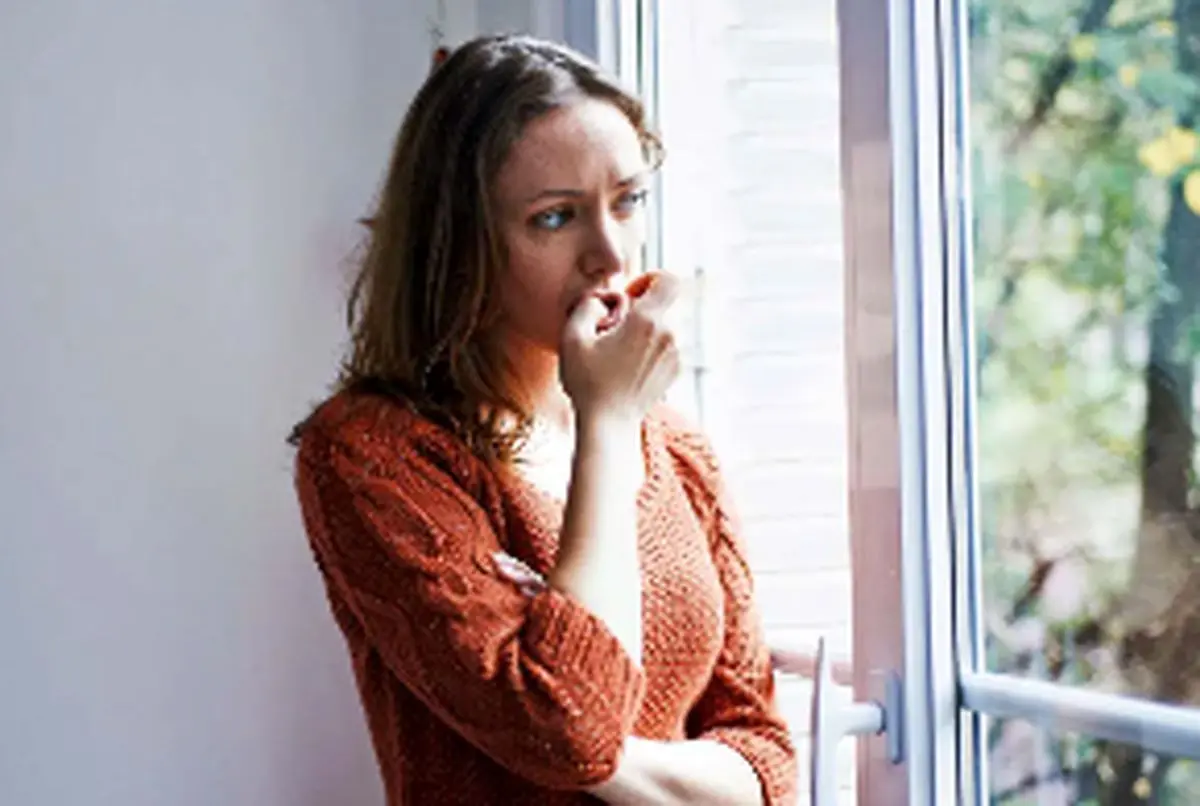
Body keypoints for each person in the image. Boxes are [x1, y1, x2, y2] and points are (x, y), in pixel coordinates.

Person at [291, 33, 797, 806]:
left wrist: (593, 757)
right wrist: (609, 420)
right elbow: (574, 729)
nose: (610, 256)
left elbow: (766, 761)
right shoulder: (372, 456)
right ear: (460, 242)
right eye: (556, 218)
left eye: (627, 201)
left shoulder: (680, 452)